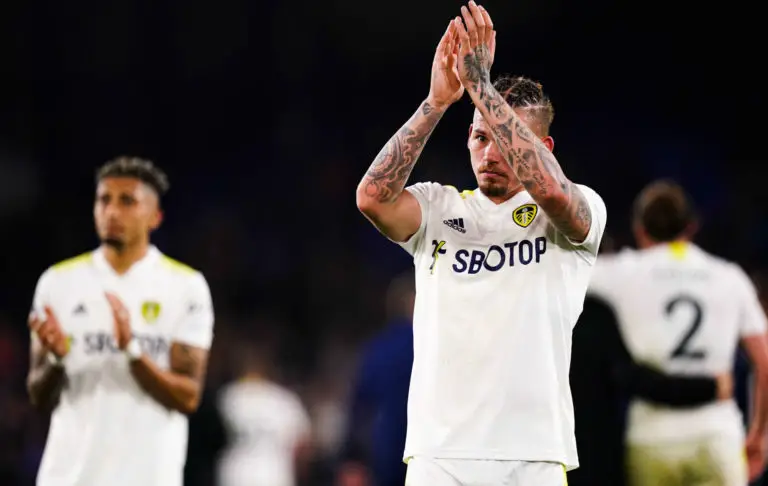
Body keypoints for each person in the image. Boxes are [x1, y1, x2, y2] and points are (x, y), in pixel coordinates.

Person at [355, 3, 606, 484]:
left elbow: (553, 193)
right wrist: (437, 102)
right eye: (478, 138)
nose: (489, 154)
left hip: (532, 454)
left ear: (543, 148)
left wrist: (483, 88)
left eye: (504, 140)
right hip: (439, 455)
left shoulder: (578, 209)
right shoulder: (438, 208)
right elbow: (371, 198)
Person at [26, 156, 215, 486]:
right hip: (69, 477)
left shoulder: (186, 287)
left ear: (155, 217)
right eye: (104, 200)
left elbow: (188, 396)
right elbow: (38, 396)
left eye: (127, 201)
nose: (112, 211)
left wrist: (132, 351)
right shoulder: (58, 282)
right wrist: (56, 359)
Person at [588, 179, 768, 486]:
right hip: (715, 432)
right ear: (691, 226)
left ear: (639, 228)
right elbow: (764, 362)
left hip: (652, 436)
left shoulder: (622, 272)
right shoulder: (729, 277)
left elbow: (564, 274)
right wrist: (759, 435)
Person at [569, 293, 735, 486]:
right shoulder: (590, 312)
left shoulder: (550, 312)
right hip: (593, 457)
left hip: (551, 454)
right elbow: (633, 377)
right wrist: (709, 388)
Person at [337, 272, 416, 486]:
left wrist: (352, 458)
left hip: (384, 456)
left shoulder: (377, 349)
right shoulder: (431, 346)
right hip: (426, 454)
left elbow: (359, 409)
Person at [216, 332, 313, 486]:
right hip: (274, 474)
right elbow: (303, 447)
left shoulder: (229, 395)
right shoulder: (286, 400)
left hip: (237, 474)